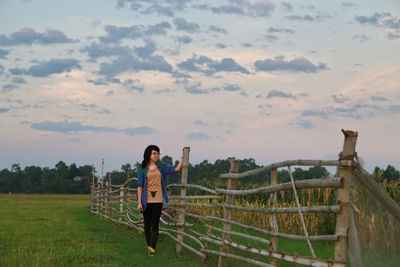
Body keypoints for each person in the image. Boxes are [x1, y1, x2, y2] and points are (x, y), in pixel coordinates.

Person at [137, 145, 184, 255]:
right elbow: (140, 186)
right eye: (154, 153)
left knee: (155, 224)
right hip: (145, 200)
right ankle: (149, 245)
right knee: (147, 224)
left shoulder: (161, 167)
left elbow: (176, 169)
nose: (157, 155)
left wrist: (182, 159)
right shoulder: (143, 169)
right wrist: (139, 202)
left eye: (158, 153)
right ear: (149, 154)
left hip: (158, 200)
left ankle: (153, 248)